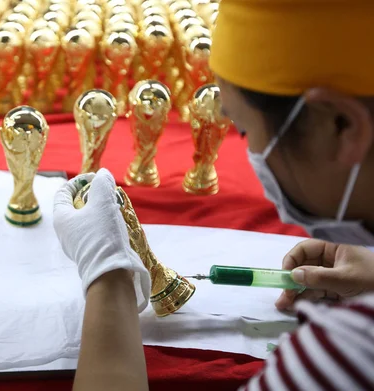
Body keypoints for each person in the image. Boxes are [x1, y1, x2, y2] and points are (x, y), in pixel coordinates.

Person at [52, 1, 374, 390]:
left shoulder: (348, 352)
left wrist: (109, 278)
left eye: (244, 131)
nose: (250, 152)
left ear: (341, 127)